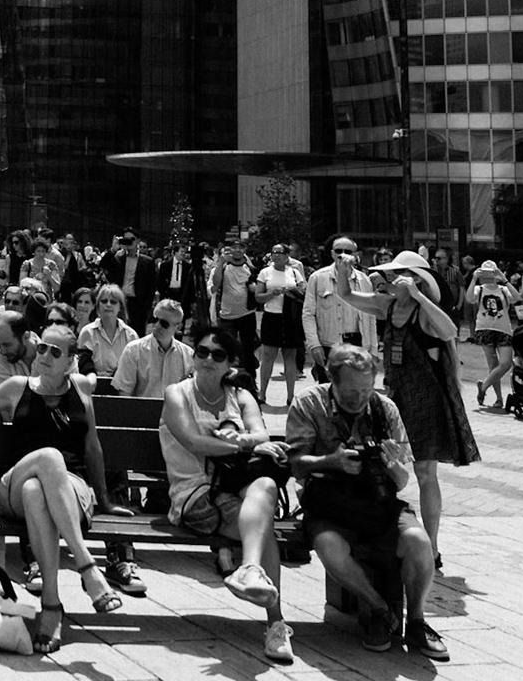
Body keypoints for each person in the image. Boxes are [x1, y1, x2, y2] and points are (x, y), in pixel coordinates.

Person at [0, 322, 127, 652]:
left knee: (38, 491)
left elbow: (92, 449)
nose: (45, 355)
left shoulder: (80, 394)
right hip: (12, 483)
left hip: (69, 488)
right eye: (42, 347)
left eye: (55, 352)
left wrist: (104, 498)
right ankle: (87, 566)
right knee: (48, 458)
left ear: (70, 361)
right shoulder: (18, 386)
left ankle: (51, 605)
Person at [287, 346, 448, 660]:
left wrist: (390, 464)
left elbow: (402, 482)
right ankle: (379, 609)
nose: (359, 398)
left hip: (378, 502)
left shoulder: (384, 409)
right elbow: (294, 462)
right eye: (350, 392)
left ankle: (416, 620)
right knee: (330, 547)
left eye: (366, 390)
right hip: (329, 505)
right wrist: (331, 461)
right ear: (331, 381)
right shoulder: (309, 403)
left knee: (418, 541)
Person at [330, 249, 478, 570]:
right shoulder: (389, 304)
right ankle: (383, 534)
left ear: (414, 279)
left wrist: (418, 295)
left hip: (426, 399)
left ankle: (432, 547)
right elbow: (345, 294)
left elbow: (450, 331)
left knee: (426, 472)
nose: (388, 280)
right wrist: (343, 269)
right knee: (379, 464)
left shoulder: (424, 310)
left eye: (397, 275)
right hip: (395, 396)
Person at [158, 327, 294, 665]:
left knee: (265, 487)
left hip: (238, 490)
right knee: (263, 532)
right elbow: (194, 442)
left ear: (229, 363)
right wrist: (245, 441)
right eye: (201, 351)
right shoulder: (177, 394)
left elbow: (261, 431)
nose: (207, 359)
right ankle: (275, 623)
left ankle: (250, 571)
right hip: (194, 496)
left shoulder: (240, 395)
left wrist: (247, 438)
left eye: (217, 355)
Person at [303, 236, 378, 381]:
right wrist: (314, 344)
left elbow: (370, 316)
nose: (342, 255)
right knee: (329, 391)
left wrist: (373, 349)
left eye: (348, 251)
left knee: (355, 391)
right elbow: (308, 314)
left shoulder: (364, 280)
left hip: (358, 343)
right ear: (332, 253)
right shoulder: (317, 278)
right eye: (338, 251)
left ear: (355, 255)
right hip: (329, 344)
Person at [250, 245, 307, 407]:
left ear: (287, 255)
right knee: (268, 356)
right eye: (274, 253)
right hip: (271, 317)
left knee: (290, 356)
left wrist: (293, 290)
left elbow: (304, 290)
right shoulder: (265, 272)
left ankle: (290, 395)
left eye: (280, 253)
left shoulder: (294, 272)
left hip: (290, 318)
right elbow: (258, 297)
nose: (277, 256)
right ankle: (263, 393)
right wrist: (272, 294)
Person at [113, 298, 194, 398]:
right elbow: (124, 396)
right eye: (155, 319)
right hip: (141, 412)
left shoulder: (189, 355)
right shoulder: (133, 350)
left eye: (164, 324)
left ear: (178, 328)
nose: (157, 325)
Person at [468, 261, 520, 408]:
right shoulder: (479, 288)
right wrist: (473, 279)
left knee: (506, 363)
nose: (488, 276)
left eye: (491, 272)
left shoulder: (503, 289)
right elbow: (469, 298)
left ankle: (483, 386)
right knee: (493, 365)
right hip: (485, 328)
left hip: (503, 329)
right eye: (485, 272)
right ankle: (498, 399)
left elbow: (517, 297)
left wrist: (504, 279)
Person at [77, 283, 137, 377]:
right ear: (98, 305)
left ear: (120, 307)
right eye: (104, 301)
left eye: (113, 302)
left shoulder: (131, 335)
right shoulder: (87, 332)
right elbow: (81, 366)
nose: (108, 305)